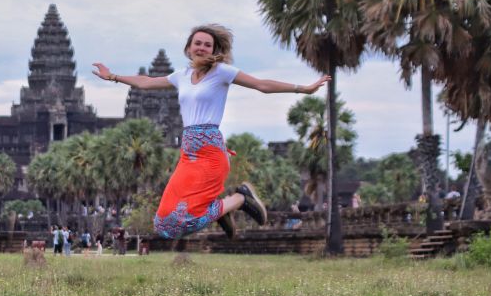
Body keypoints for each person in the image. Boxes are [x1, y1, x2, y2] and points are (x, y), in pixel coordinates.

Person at [93, 24, 328, 240]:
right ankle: (219, 209)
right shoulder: (181, 76)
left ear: (215, 50)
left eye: (208, 44)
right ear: (189, 48)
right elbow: (145, 82)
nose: (202, 48)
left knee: (178, 225)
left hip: (210, 153)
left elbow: (261, 85)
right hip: (188, 155)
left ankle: (239, 199)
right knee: (164, 222)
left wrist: (302, 89)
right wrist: (112, 76)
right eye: (198, 43)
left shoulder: (222, 72)